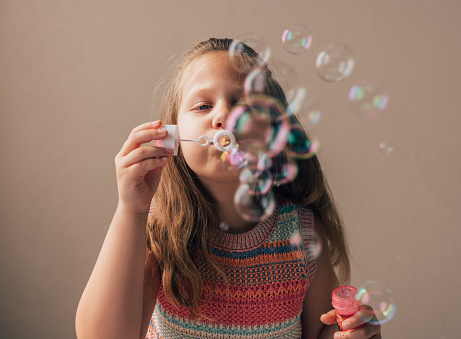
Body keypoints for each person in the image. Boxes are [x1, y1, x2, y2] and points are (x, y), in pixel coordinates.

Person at [75, 38, 382, 339]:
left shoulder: (300, 234)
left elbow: (321, 331)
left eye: (242, 104)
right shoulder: (158, 228)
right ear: (173, 135)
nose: (223, 115)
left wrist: (353, 332)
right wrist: (131, 210)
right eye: (203, 105)